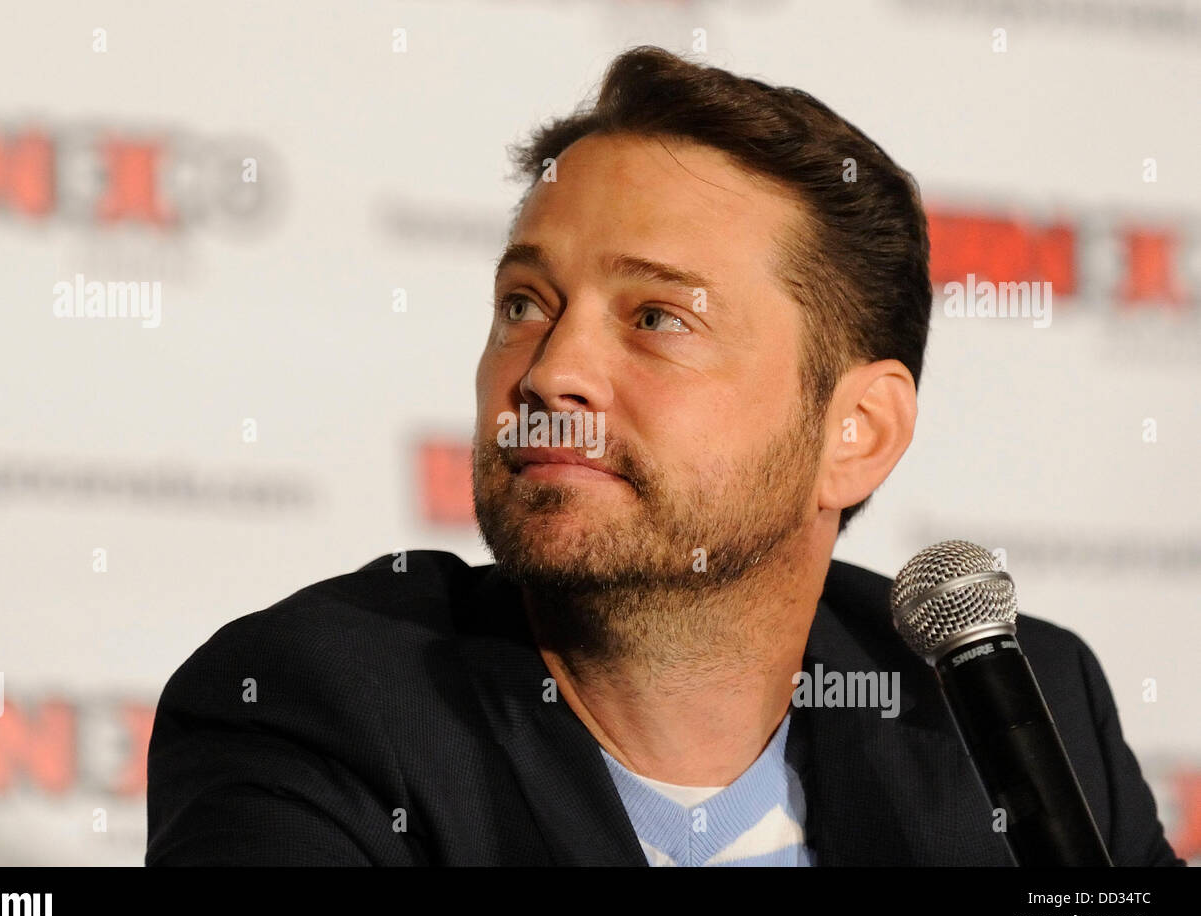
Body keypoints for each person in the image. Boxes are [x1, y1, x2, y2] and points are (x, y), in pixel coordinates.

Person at [145, 45, 1182, 866]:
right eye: (524, 304)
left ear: (854, 432)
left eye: (655, 316)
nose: (552, 372)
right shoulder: (318, 708)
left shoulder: (1005, 713)